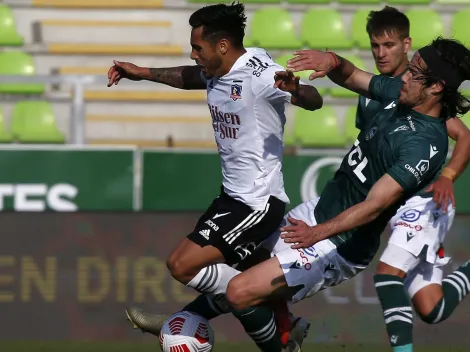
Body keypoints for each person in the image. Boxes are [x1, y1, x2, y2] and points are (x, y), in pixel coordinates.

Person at [219, 36, 470, 348]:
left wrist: (318, 233)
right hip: (318, 211)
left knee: (238, 292)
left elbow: (375, 205)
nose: (404, 75)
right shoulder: (401, 93)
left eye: (415, 72)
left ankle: (277, 341)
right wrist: (333, 62)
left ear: (436, 87)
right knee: (230, 267)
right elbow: (352, 76)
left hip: (338, 243)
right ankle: (197, 321)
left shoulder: (424, 145)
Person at [108, 3, 323, 351]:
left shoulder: (259, 74)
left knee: (183, 265)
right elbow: (191, 77)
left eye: (198, 48)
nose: (193, 54)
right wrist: (143, 72)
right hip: (231, 198)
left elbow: (314, 101)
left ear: (222, 45)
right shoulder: (215, 69)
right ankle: (281, 323)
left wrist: (297, 91)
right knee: (235, 282)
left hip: (256, 203)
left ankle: (275, 331)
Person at [356, 8, 470, 352]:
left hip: (424, 201)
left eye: (389, 45)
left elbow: (464, 136)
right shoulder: (375, 90)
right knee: (431, 309)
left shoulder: (422, 90)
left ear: (406, 45)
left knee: (388, 275)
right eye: (375, 45)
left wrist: (448, 174)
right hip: (399, 204)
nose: (381, 53)